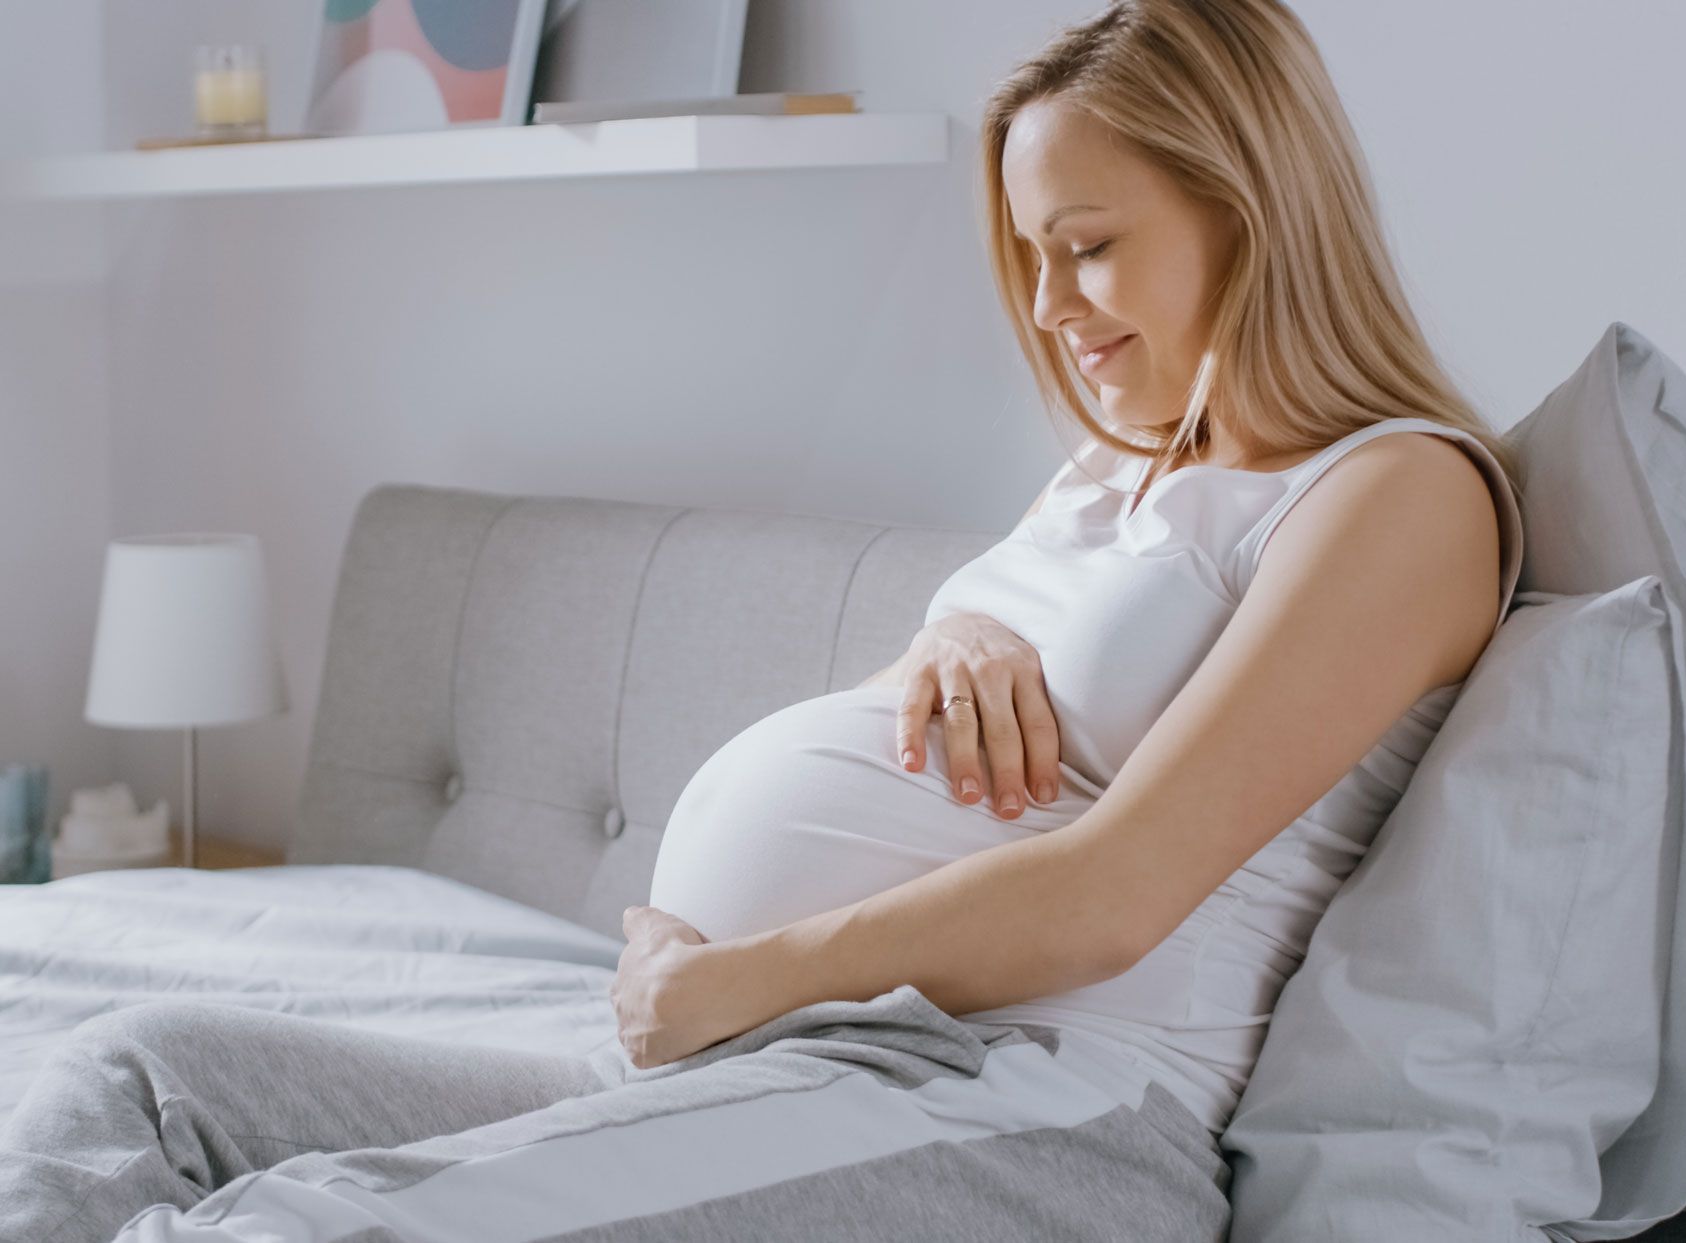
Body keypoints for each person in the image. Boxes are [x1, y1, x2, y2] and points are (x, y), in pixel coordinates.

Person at [0, 2, 1522, 1239]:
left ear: (1249, 210)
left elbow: (1119, 890)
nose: (1051, 306)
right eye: (1030, 256)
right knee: (137, 1078)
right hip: (771, 1049)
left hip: (1030, 1098)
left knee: (320, 1224)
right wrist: (955, 634)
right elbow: (959, 723)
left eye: (1088, 244)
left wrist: (744, 975)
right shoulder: (1120, 470)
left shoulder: (1398, 495)